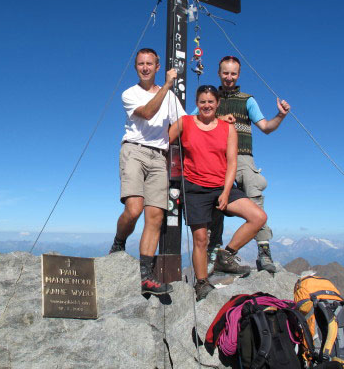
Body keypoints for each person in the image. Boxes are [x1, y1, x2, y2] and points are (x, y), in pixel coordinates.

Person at [169, 85, 267, 301]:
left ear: (218, 103)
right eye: (202, 101)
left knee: (258, 217)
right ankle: (202, 283)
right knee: (201, 239)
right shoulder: (184, 123)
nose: (206, 105)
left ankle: (227, 255)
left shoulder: (226, 128)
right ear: (197, 103)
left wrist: (225, 191)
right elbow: (163, 142)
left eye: (210, 102)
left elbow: (232, 162)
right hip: (194, 187)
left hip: (222, 185)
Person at [109, 48, 186, 295]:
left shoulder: (171, 98)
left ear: (156, 65)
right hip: (134, 150)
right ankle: (119, 243)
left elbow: (182, 123)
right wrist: (167, 86)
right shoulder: (130, 93)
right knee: (134, 209)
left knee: (155, 216)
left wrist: (165, 141)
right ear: (136, 67)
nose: (145, 67)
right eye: (141, 64)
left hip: (159, 156)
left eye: (149, 63)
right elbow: (148, 112)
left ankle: (146, 276)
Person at [206, 56, 291, 274]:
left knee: (254, 193)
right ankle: (213, 251)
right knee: (215, 200)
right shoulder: (210, 99)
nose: (229, 77)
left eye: (233, 73)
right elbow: (197, 121)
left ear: (238, 75)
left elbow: (266, 127)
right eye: (225, 73)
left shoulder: (247, 100)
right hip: (216, 157)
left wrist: (280, 116)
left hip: (242, 156)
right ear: (219, 74)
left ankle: (263, 252)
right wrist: (219, 119)